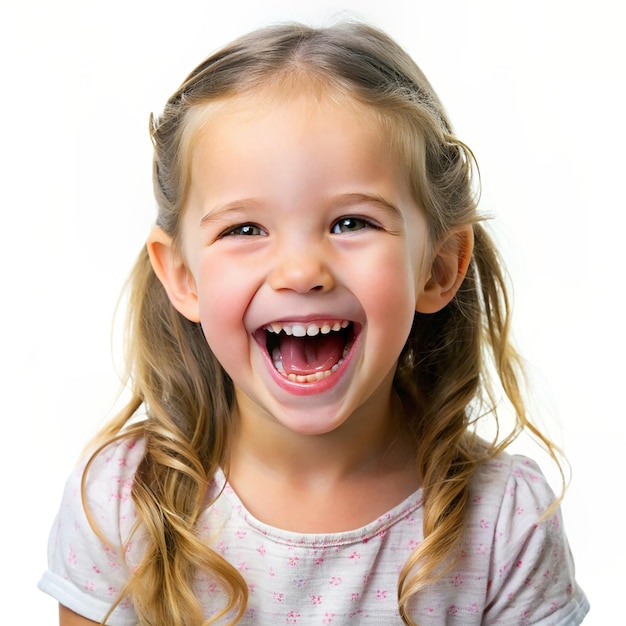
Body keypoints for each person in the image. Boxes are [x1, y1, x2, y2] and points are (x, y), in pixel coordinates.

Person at [38, 21, 589, 626]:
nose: (301, 271)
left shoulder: (505, 522)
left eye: (352, 222)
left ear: (437, 268)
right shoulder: (122, 504)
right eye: (244, 229)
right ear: (183, 277)